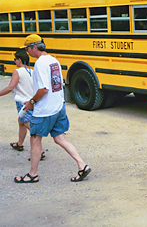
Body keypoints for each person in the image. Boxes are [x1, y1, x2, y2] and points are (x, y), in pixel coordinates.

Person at [14, 34, 91, 183]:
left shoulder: (40, 64)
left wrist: (31, 102)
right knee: (60, 138)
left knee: (35, 140)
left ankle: (32, 174)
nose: (27, 52)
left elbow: (43, 89)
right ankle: (82, 165)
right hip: (58, 107)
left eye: (28, 49)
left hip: (45, 110)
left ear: (34, 47)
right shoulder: (53, 60)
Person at [0, 50, 44, 158]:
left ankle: (40, 151)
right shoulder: (32, 71)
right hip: (32, 101)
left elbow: (10, 87)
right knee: (21, 121)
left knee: (28, 124)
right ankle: (19, 144)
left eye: (15, 59)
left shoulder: (17, 71)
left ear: (19, 60)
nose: (14, 61)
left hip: (22, 102)